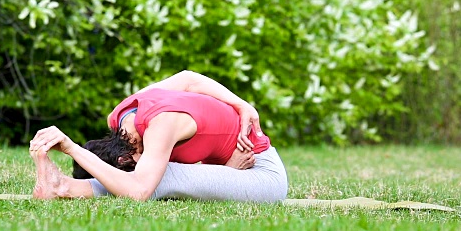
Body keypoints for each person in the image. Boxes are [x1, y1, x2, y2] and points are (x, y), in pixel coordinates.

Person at [29, 70, 288, 202]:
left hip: (262, 173)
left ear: (123, 160)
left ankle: (64, 186)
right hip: (232, 166)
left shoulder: (159, 127)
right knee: (157, 175)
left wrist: (72, 148)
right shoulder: (120, 115)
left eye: (135, 164)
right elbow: (187, 79)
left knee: (157, 178)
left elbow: (139, 189)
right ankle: (63, 185)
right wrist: (227, 173)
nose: (145, 161)